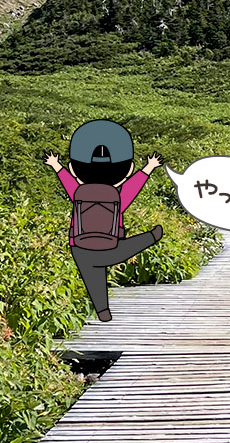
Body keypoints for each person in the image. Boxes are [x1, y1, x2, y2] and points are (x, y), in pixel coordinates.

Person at [45, 119, 163, 323]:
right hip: (110, 247)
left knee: (94, 280)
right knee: (130, 246)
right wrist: (149, 168)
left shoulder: (78, 192)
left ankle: (103, 311)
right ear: (127, 170)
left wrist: (56, 165)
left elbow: (68, 183)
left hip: (80, 249)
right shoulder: (117, 196)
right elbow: (132, 187)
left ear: (74, 168)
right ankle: (151, 237)